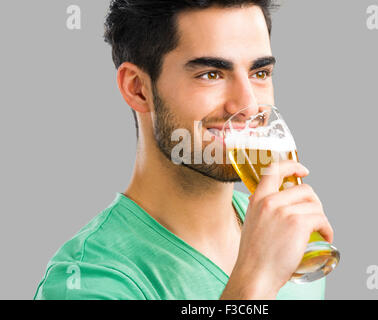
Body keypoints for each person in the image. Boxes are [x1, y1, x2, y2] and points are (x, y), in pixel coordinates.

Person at [34, 0, 334, 300]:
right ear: (138, 88)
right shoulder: (86, 280)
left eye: (260, 73)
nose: (248, 105)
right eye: (211, 74)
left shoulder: (289, 233)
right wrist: (254, 282)